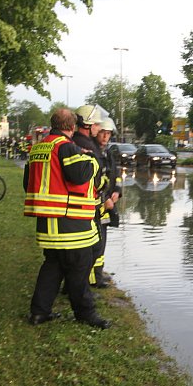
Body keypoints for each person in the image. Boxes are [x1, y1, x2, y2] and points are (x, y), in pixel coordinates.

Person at [23, 108, 111, 329]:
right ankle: (86, 314)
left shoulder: (38, 148)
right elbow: (78, 175)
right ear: (72, 127)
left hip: (47, 223)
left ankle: (39, 313)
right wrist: (90, 160)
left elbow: (28, 183)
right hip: (70, 224)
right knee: (79, 270)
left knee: (53, 267)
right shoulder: (66, 147)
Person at [72, 104, 111, 289]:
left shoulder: (82, 143)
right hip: (88, 205)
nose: (98, 127)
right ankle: (85, 284)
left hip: (89, 204)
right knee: (90, 248)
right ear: (87, 125)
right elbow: (94, 180)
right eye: (96, 124)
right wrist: (106, 185)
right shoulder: (84, 144)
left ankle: (87, 281)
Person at [92, 116, 122, 287]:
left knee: (102, 239)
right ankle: (93, 277)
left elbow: (116, 175)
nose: (105, 136)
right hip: (98, 204)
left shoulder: (108, 153)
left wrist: (117, 192)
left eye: (108, 133)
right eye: (103, 132)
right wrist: (105, 200)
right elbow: (95, 182)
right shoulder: (93, 152)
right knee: (96, 240)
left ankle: (97, 274)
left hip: (107, 204)